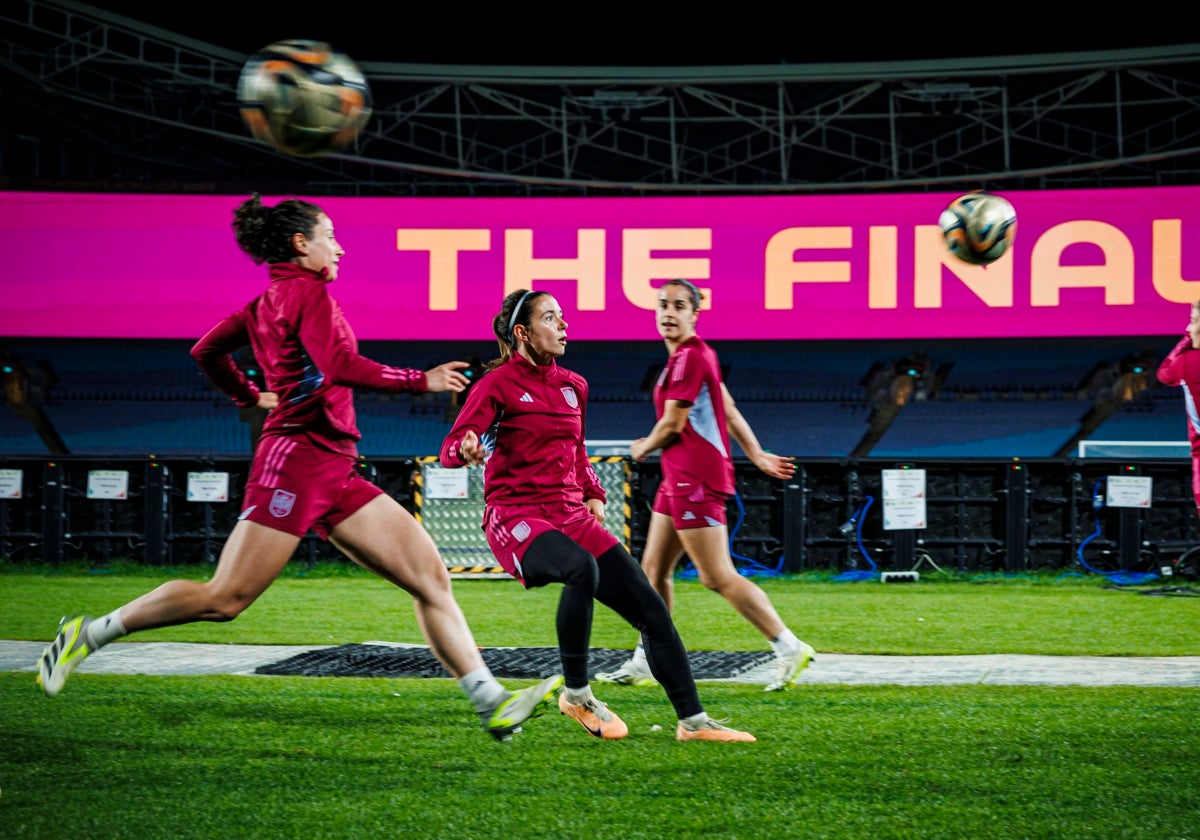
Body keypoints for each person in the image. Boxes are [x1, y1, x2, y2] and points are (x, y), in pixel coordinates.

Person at [35, 194, 562, 741]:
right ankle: (87, 633)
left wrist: (248, 394)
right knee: (225, 599)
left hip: (331, 465)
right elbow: (338, 365)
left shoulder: (265, 304)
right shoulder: (308, 293)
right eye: (329, 236)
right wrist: (418, 380)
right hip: (296, 464)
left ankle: (491, 702)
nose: (339, 246)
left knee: (429, 577)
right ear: (300, 244)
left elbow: (206, 352)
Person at [438, 288, 756, 742]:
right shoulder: (497, 384)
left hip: (571, 514)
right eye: (551, 318)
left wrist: (592, 492)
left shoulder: (574, 385)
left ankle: (693, 722)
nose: (564, 325)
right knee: (579, 568)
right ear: (523, 333)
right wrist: (465, 448)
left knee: (652, 610)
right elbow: (452, 445)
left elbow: (577, 450)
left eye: (563, 316)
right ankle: (578, 695)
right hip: (515, 517)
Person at [596, 278, 814, 691]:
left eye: (679, 306)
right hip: (678, 477)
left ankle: (789, 646)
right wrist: (757, 453)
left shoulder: (692, 357)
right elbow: (727, 408)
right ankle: (648, 657)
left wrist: (643, 446)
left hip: (696, 478)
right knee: (653, 572)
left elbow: (674, 424)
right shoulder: (685, 359)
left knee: (716, 577)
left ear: (695, 314)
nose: (669, 313)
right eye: (663, 305)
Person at [1156, 298, 1200, 522]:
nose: (1187, 328)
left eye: (1192, 322)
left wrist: (1186, 341)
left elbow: (1164, 374)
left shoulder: (1187, 362)